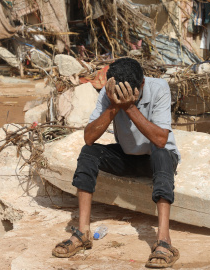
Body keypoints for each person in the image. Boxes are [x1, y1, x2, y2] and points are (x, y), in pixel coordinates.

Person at [52, 58, 181, 268]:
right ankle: (83, 232)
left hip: (159, 158)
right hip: (128, 157)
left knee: (161, 154)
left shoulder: (159, 88)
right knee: (89, 152)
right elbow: (89, 137)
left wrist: (129, 107)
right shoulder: (108, 93)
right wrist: (113, 106)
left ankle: (164, 241)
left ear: (141, 85)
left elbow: (160, 140)